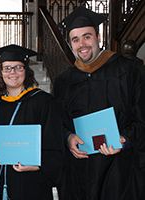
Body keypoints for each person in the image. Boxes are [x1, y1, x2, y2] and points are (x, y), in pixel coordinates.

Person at [53, 6, 145, 200]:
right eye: (75, 39)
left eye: (87, 36)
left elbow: (142, 116)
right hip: (79, 171)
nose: (82, 44)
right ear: (70, 44)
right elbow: (56, 122)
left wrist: (125, 139)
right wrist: (67, 138)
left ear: (98, 37)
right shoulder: (64, 81)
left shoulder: (129, 71)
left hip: (119, 170)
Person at [0, 44, 64, 200]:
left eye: (18, 67)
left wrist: (39, 165)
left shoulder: (44, 102)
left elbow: (54, 142)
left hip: (31, 181)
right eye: (7, 68)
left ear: (26, 70)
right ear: (0, 72)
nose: (12, 72)